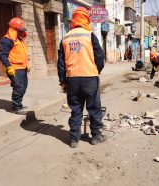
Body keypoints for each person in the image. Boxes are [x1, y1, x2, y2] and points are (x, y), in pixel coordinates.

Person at [57, 7, 105, 148]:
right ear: (86, 19)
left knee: (76, 109)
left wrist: (62, 81)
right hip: (90, 77)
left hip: (72, 79)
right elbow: (100, 57)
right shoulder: (90, 35)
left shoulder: (65, 38)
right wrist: (97, 70)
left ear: (74, 19)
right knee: (94, 108)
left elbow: (60, 63)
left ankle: (74, 139)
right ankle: (96, 136)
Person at [0, 17, 30, 115]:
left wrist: (27, 64)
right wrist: (8, 66)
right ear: (14, 29)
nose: (21, 32)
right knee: (18, 87)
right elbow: (2, 55)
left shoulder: (19, 40)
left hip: (22, 68)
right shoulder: (7, 40)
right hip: (14, 69)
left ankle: (18, 103)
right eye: (19, 30)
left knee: (23, 87)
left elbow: (22, 53)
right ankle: (17, 107)